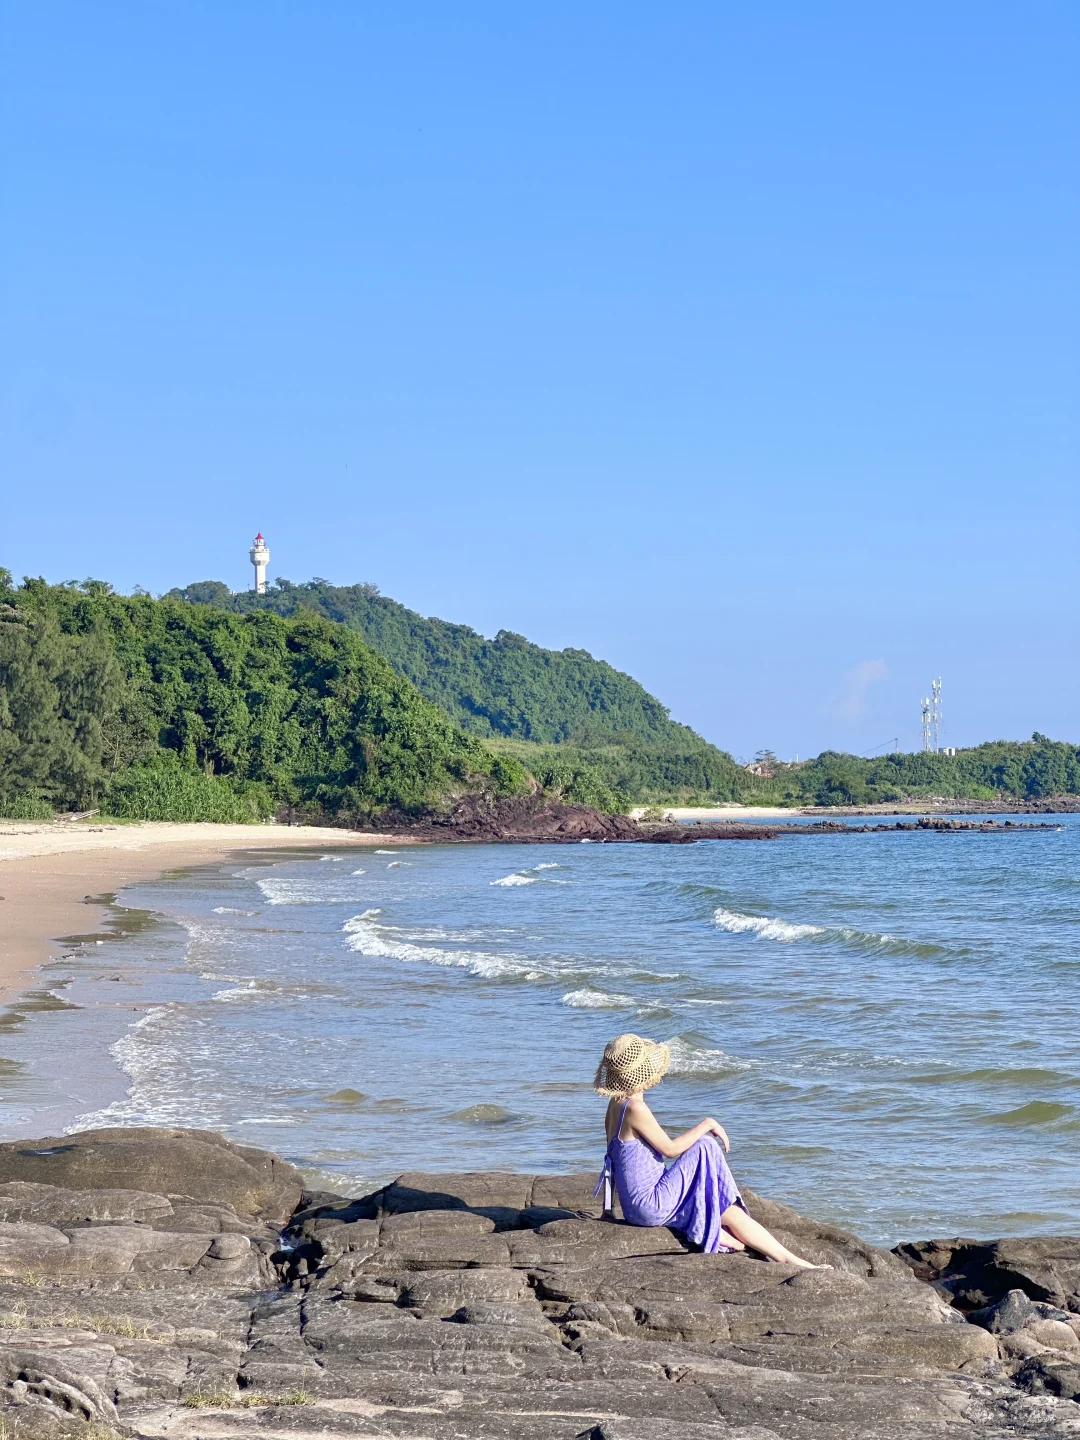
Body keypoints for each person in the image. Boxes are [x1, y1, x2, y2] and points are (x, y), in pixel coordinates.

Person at [595, 1032, 827, 1267]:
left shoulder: (614, 1107)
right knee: (705, 1145)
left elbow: (610, 1161)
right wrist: (708, 1124)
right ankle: (716, 1226)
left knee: (731, 1215)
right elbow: (670, 1150)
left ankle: (793, 1260)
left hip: (637, 1207)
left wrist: (608, 1209)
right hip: (650, 1205)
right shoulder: (635, 1108)